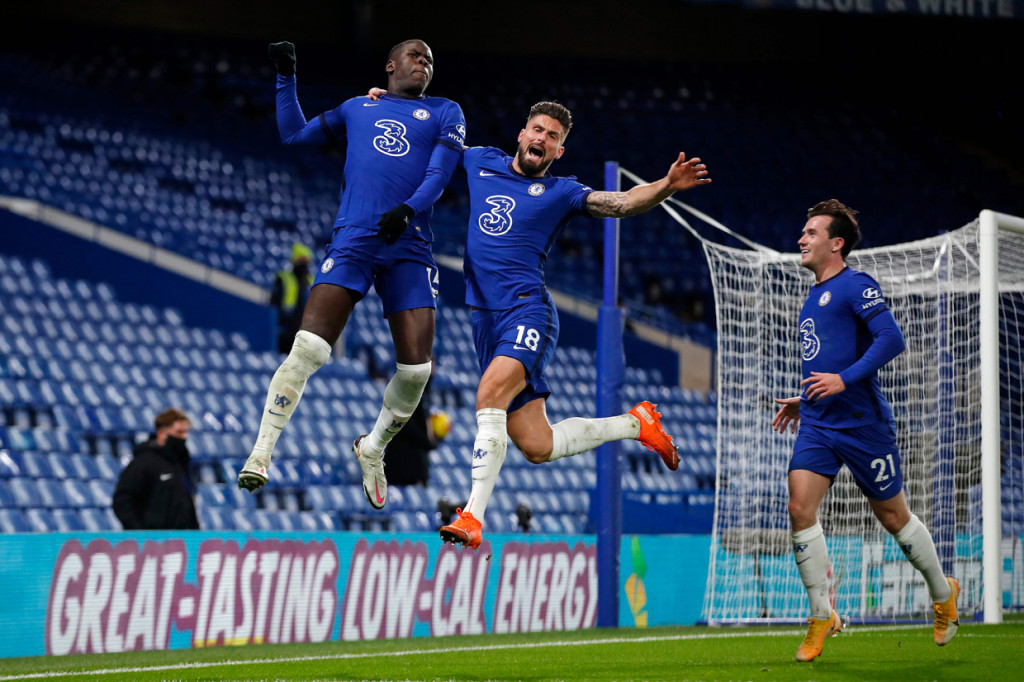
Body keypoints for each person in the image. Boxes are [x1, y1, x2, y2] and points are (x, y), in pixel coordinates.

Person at [435, 101, 710, 549]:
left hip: (527, 311)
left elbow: (620, 203)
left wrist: (666, 186)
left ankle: (472, 516)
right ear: (522, 133)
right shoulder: (480, 160)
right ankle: (635, 424)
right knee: (536, 445)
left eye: (553, 137)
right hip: (483, 320)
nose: (542, 139)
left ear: (558, 151)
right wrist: (389, 102)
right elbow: (429, 144)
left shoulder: (560, 191)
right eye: (537, 129)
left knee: (489, 395)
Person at [238, 39, 466, 513]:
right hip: (354, 239)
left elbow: (441, 172)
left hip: (410, 245)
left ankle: (373, 447)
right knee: (308, 347)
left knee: (417, 371)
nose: (424, 63)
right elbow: (293, 135)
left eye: (430, 59)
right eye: (415, 56)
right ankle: (261, 452)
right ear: (390, 65)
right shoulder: (357, 107)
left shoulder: (445, 111)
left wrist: (408, 209)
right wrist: (286, 77)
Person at [771, 199, 959, 662]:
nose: (801, 238)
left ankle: (943, 593)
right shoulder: (812, 295)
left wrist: (843, 380)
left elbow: (892, 339)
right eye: (803, 231)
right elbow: (828, 355)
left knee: (893, 518)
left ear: (836, 243)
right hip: (818, 423)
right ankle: (821, 615)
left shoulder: (856, 284)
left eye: (811, 233)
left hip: (863, 425)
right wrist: (806, 399)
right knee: (799, 508)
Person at [112, 408, 199, 530]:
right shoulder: (143, 463)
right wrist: (141, 533)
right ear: (162, 433)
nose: (184, 437)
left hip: (184, 537)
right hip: (155, 539)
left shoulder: (181, 463)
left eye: (185, 432)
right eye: (179, 432)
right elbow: (122, 501)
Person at [271, 242, 315, 354]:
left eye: (307, 261)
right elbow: (273, 305)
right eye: (301, 260)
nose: (304, 265)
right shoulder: (283, 279)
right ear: (294, 261)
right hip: (286, 332)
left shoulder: (312, 281)